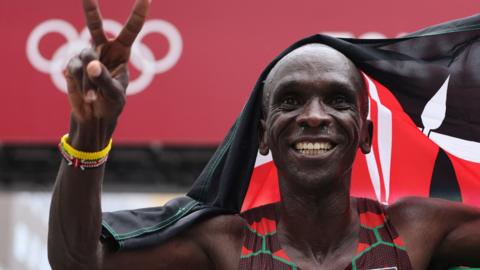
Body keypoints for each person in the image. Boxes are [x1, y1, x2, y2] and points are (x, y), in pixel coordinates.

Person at [48, 0, 480, 269]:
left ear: (365, 134)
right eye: (290, 101)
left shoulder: (414, 229)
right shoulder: (226, 244)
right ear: (262, 136)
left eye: (338, 100)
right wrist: (89, 131)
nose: (314, 116)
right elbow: (77, 260)